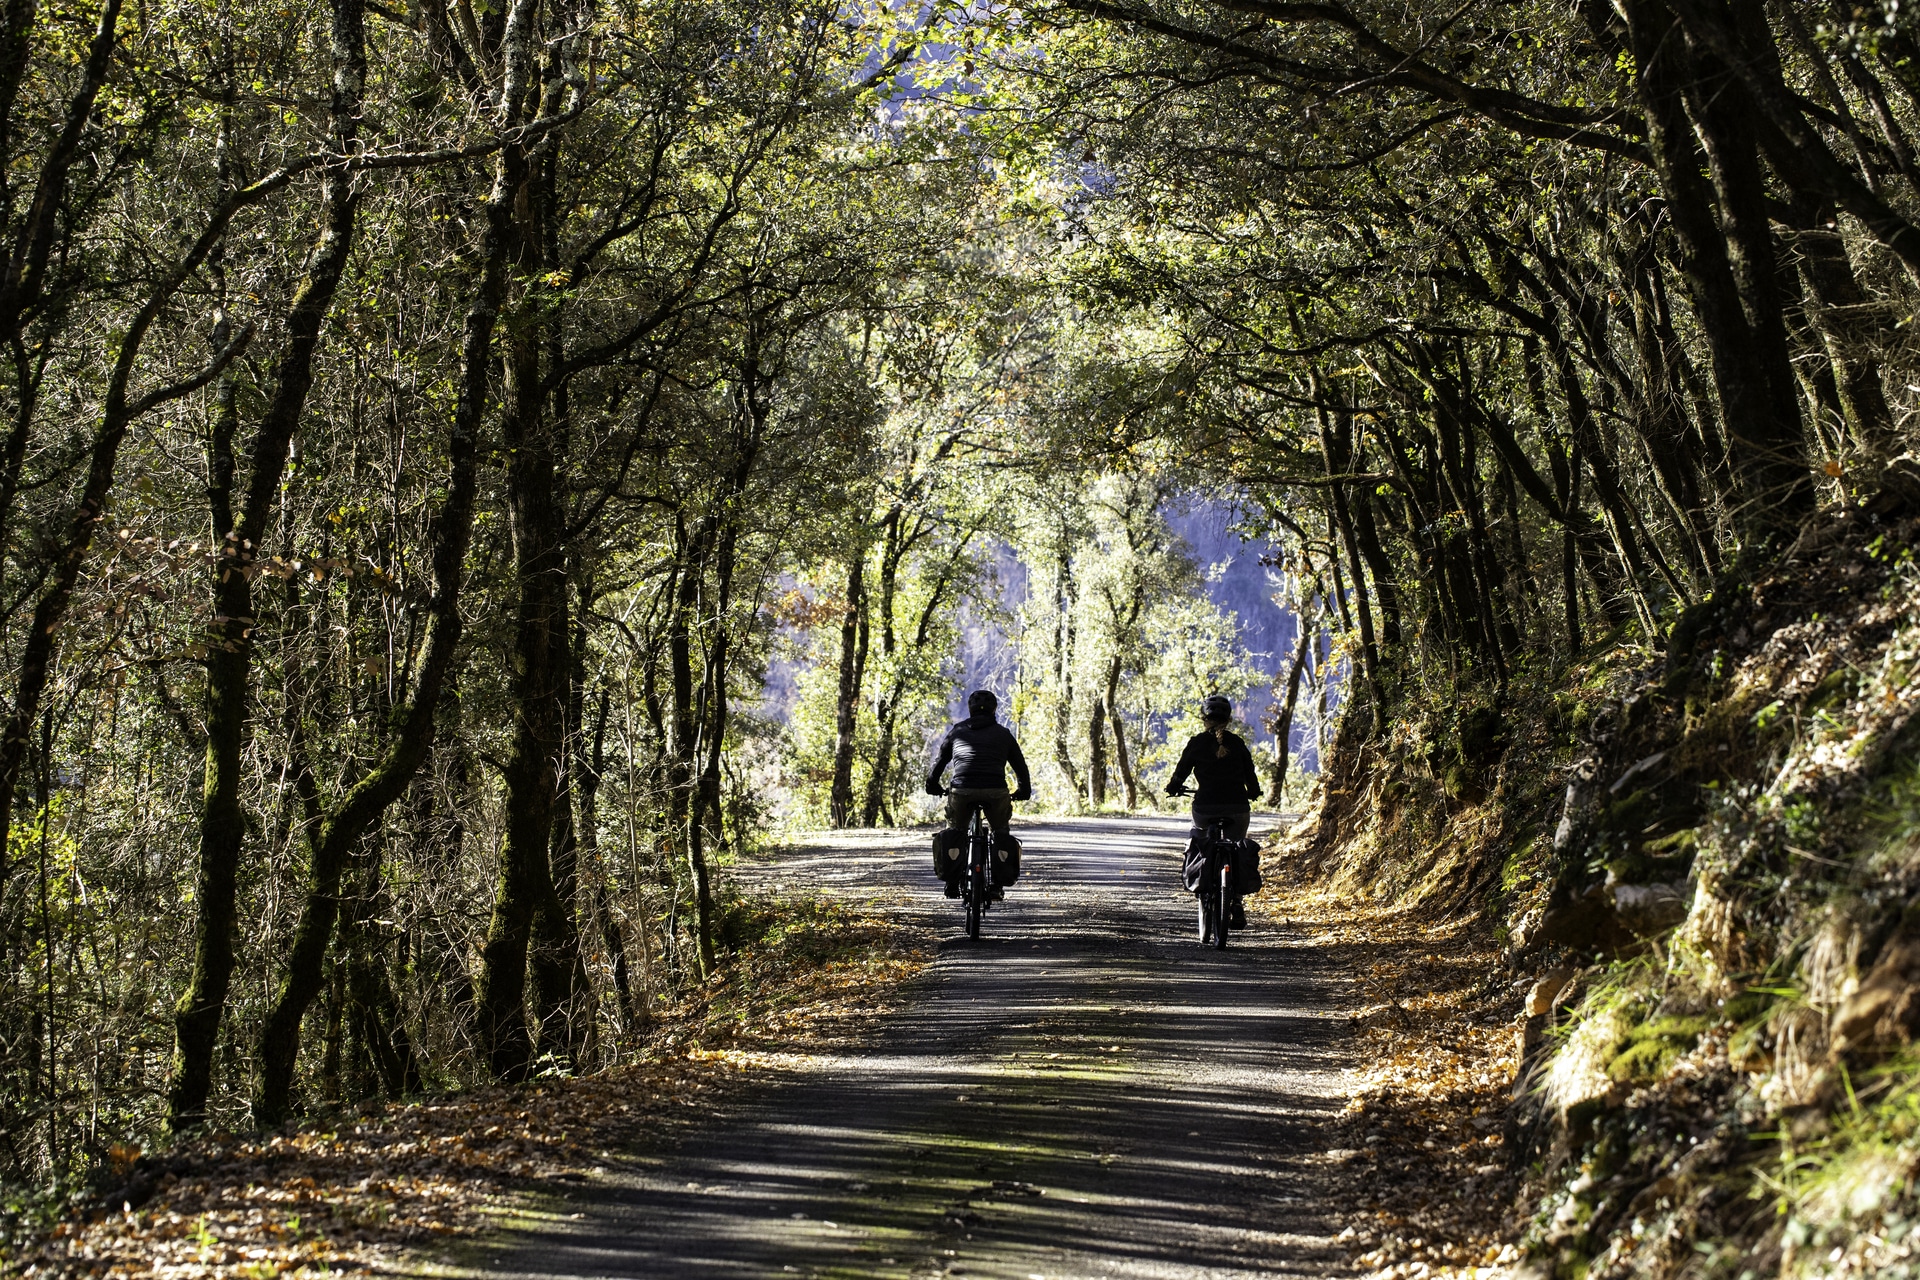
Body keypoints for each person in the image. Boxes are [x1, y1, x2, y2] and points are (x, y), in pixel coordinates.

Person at [1165, 694, 1262, 927]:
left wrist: (1174, 787)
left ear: (1204, 718)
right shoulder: (1237, 743)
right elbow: (1250, 774)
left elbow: (1181, 772)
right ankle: (1236, 900)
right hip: (1237, 807)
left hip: (1205, 807)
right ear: (1228, 719)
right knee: (1236, 845)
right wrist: (1253, 791)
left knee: (1199, 838)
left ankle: (1201, 879)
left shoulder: (1197, 743)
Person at [926, 689, 1032, 898]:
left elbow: (940, 762)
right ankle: (997, 885)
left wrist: (932, 785)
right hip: (995, 791)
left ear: (970, 709)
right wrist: (1023, 791)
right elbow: (1020, 767)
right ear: (994, 710)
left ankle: (952, 883)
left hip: (962, 790)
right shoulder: (1003, 734)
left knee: (956, 830)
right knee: (1000, 832)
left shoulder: (957, 731)